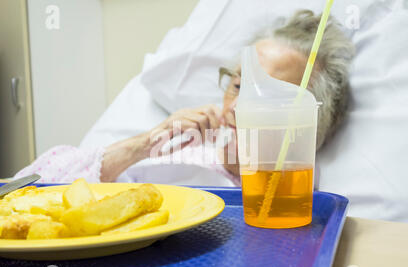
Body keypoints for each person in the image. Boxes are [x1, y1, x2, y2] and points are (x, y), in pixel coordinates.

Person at [14, 10, 354, 185]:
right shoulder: (180, 150)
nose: (235, 108)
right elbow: (25, 191)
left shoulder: (297, 195)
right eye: (237, 85)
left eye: (265, 96)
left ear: (308, 121)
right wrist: (141, 146)